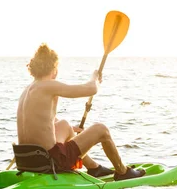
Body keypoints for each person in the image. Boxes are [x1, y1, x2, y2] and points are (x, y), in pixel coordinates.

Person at [16, 43, 145, 181]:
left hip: (26, 161)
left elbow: (43, 123)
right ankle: (123, 172)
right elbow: (91, 89)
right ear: (54, 68)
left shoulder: (27, 90)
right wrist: (95, 78)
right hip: (50, 162)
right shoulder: (49, 86)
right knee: (101, 130)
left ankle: (94, 168)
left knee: (65, 125)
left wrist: (72, 131)